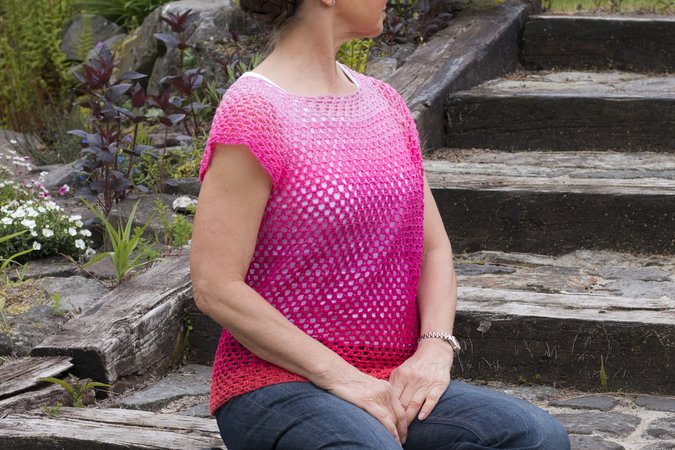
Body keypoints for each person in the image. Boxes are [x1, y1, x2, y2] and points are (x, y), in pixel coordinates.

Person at [189, 1, 571, 448]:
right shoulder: (255, 111)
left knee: (537, 437)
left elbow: (433, 248)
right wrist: (341, 376)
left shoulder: (385, 102)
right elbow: (215, 284)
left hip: (393, 380)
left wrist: (434, 348)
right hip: (276, 382)